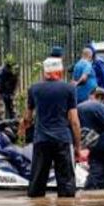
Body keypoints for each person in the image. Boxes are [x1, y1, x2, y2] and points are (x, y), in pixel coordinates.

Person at [18, 57, 82, 198]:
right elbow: (74, 121)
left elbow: (27, 118)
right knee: (67, 188)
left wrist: (22, 129)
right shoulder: (69, 89)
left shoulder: (34, 89)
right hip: (62, 140)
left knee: (36, 186)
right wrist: (78, 146)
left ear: (44, 72)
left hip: (41, 140)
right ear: (60, 71)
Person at [0, 54, 19, 120]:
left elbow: (17, 82)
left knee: (14, 113)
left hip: (10, 92)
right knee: (1, 112)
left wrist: (14, 94)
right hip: (1, 93)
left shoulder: (15, 70)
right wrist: (0, 102)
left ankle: (14, 125)